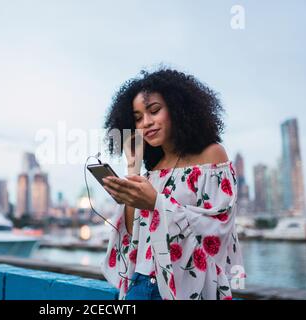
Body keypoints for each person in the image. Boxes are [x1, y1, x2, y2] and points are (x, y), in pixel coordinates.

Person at [100, 68, 245, 300]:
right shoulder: (152, 172)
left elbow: (218, 229)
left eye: (154, 110)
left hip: (187, 288)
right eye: (137, 118)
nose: (146, 123)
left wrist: (155, 202)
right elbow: (132, 235)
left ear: (178, 109)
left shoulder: (212, 156)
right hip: (140, 283)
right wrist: (132, 169)